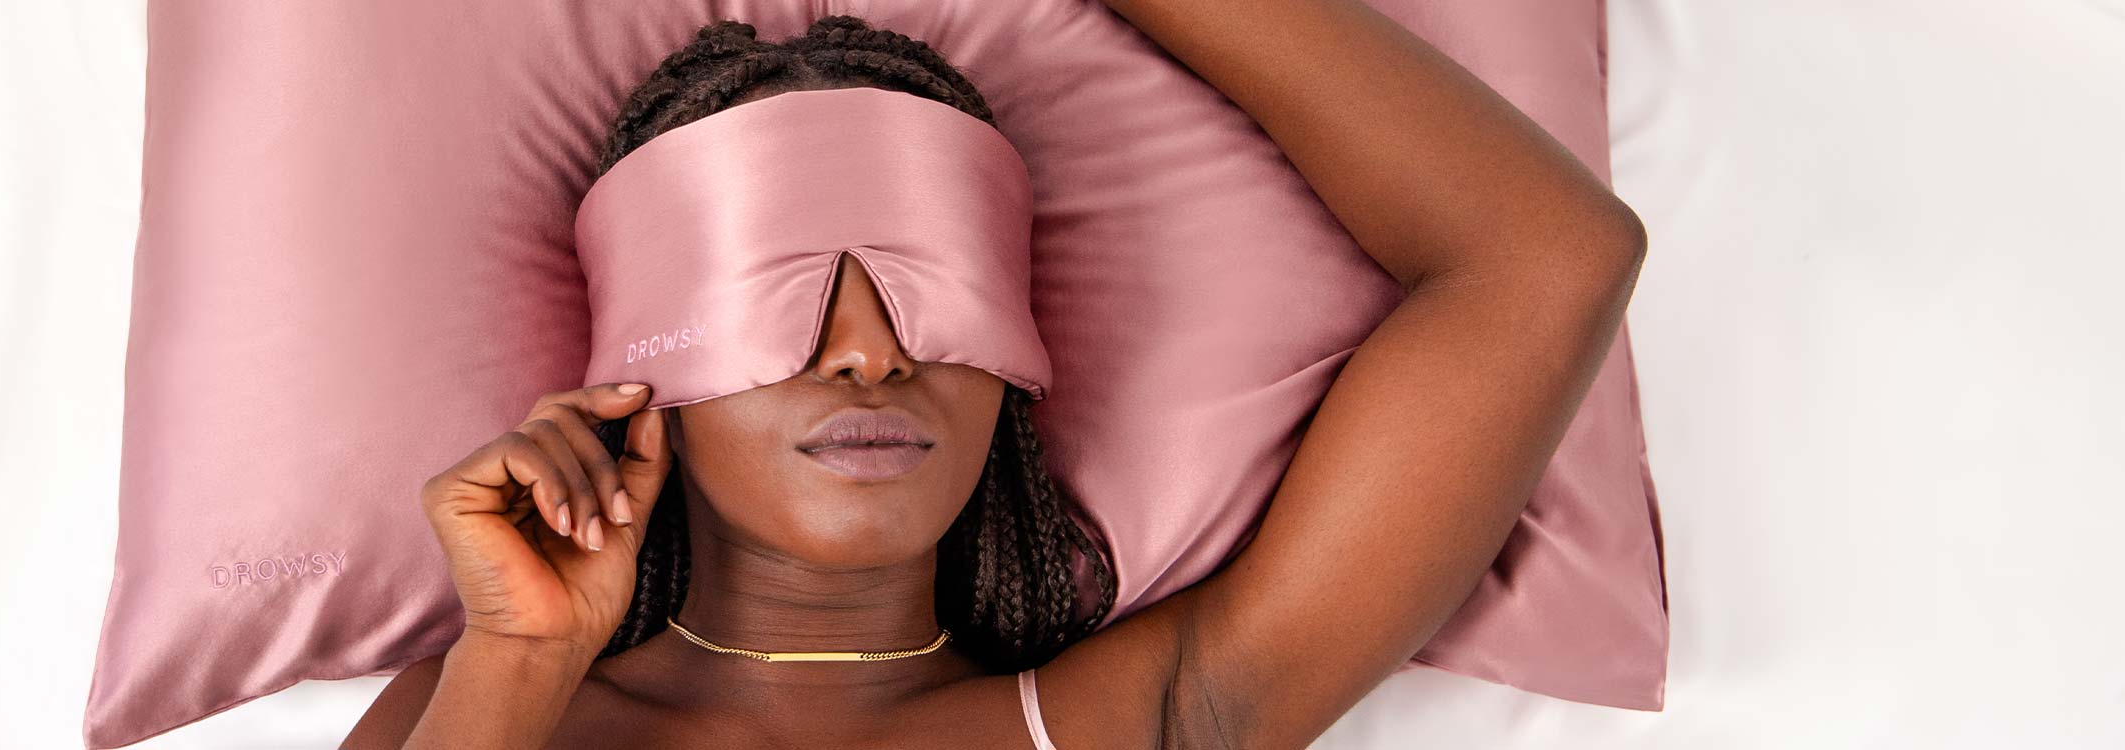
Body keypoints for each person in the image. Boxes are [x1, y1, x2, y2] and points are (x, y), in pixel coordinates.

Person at [345, 2, 1646, 747]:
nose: (872, 354)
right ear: (640, 367)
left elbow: (1545, 258)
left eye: (933, 288)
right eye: (779, 297)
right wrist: (519, 662)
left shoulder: (1161, 714)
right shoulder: (480, 708)